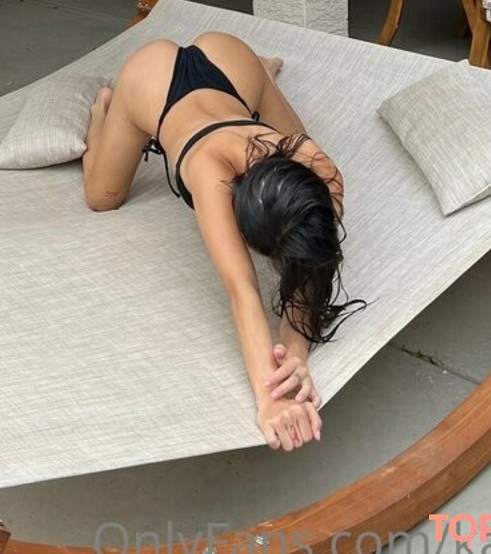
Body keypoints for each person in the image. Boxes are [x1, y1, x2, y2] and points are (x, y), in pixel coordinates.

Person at [82, 31, 359, 453]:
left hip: (233, 64)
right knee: (101, 197)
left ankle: (262, 72)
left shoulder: (317, 166)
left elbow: (314, 263)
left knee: (283, 115)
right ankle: (105, 108)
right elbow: (242, 289)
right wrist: (270, 398)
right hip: (150, 81)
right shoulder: (210, 174)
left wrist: (295, 356)